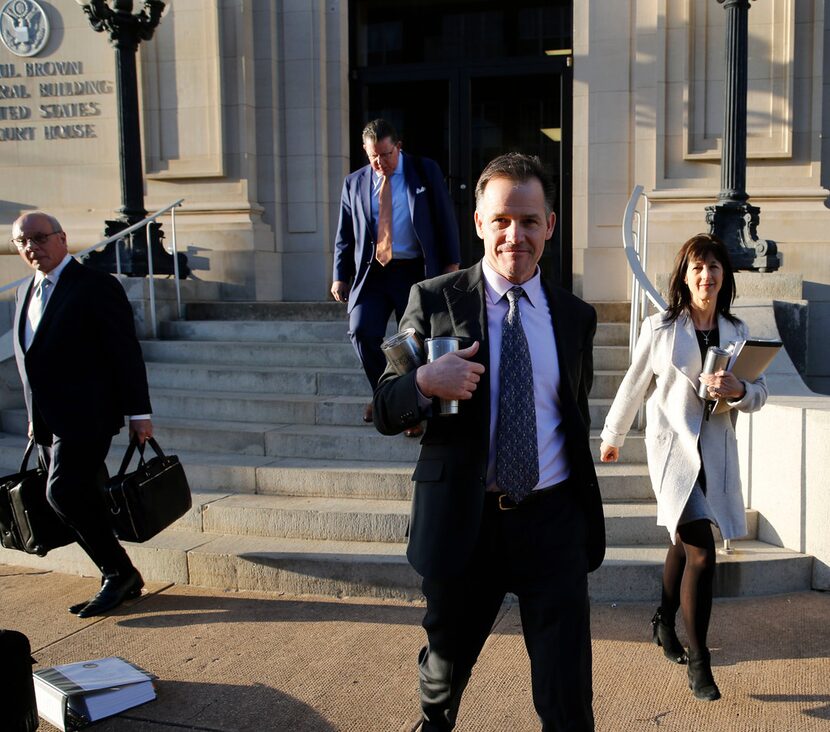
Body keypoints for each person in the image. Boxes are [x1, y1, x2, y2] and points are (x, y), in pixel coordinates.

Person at [374, 153, 605, 731]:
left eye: (529, 221)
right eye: (501, 220)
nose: (514, 235)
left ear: (550, 225)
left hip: (552, 522)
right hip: (465, 522)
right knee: (444, 676)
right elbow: (383, 404)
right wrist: (425, 383)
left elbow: (571, 413)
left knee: (568, 694)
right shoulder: (433, 299)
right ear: (478, 223)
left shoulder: (576, 318)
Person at [599, 233, 768, 701]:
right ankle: (700, 661)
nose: (706, 276)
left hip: (715, 449)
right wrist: (613, 435)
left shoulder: (737, 330)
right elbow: (634, 385)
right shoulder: (660, 328)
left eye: (714, 267)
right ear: (684, 275)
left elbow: (760, 391)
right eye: (698, 266)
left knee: (681, 537)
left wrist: (739, 391)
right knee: (701, 551)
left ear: (724, 277)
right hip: (673, 449)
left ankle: (661, 620)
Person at [11, 211, 154, 619]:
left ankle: (118, 572)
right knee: (82, 497)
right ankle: (120, 575)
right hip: (47, 421)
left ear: (62, 238)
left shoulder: (95, 285)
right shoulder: (24, 292)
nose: (31, 247)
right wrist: (33, 417)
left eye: (39, 237)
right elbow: (31, 361)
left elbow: (124, 351)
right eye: (23, 241)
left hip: (88, 413)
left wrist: (138, 413)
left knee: (62, 493)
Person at [331, 119, 460, 435]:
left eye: (385, 155)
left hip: (413, 271)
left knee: (413, 340)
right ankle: (385, 396)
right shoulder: (354, 183)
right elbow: (345, 234)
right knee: (361, 331)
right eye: (373, 156)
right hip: (372, 273)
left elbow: (445, 216)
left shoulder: (423, 170)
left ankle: (412, 405)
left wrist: (451, 264)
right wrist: (339, 276)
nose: (379, 163)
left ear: (398, 147)